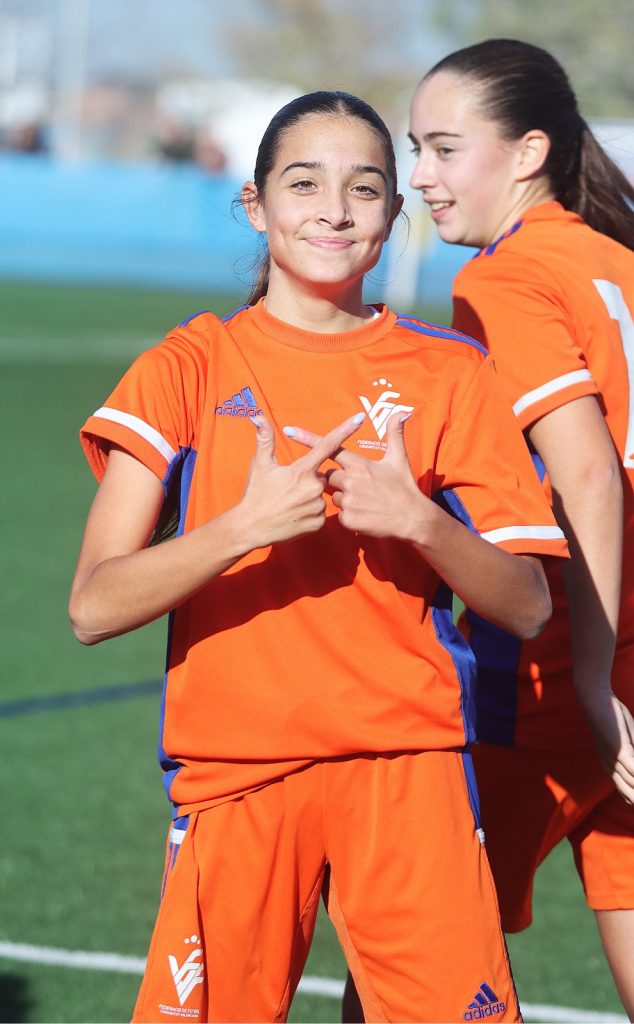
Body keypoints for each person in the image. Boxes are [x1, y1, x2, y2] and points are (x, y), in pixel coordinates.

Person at [69, 89, 568, 1024]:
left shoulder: (452, 373)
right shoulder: (188, 367)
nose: (335, 210)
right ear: (256, 205)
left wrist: (421, 523)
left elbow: (530, 604)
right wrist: (242, 526)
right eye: (304, 184)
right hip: (239, 773)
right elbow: (93, 606)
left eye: (364, 188)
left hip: (409, 765)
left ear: (394, 214)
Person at [378, 36, 634, 1021]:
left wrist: (587, 679)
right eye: (417, 149)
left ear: (529, 153)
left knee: (410, 959)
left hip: (552, 673)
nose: (421, 176)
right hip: (620, 662)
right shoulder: (613, 258)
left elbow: (587, 473)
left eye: (445, 149)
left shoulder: (506, 277)